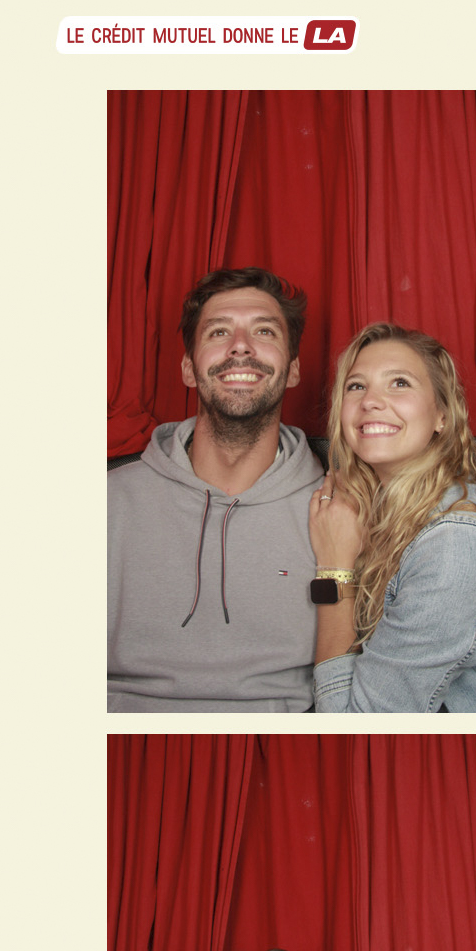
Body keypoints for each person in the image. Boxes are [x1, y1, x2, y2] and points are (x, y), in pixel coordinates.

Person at [108, 267, 326, 713]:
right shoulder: (104, 504)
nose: (240, 346)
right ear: (189, 369)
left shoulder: (338, 511)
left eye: (264, 331)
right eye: (219, 331)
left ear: (293, 370)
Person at [307, 323, 476, 713]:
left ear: (442, 416)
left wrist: (333, 571)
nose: (371, 401)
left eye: (399, 383)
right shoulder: (358, 505)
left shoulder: (456, 541)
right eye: (356, 386)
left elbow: (356, 723)